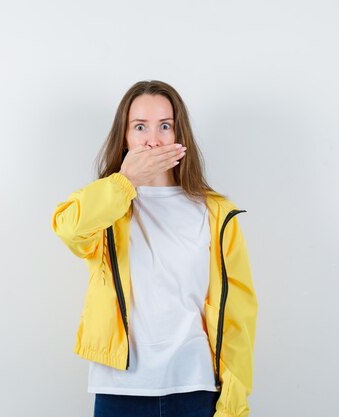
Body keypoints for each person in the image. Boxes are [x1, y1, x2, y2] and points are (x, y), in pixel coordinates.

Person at [51, 80, 258, 417]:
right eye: (140, 127)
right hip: (119, 389)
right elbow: (69, 228)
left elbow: (239, 312)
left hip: (194, 387)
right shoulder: (107, 205)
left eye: (165, 126)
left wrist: (234, 397)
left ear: (180, 136)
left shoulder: (215, 211)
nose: (153, 139)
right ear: (125, 137)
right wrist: (125, 181)